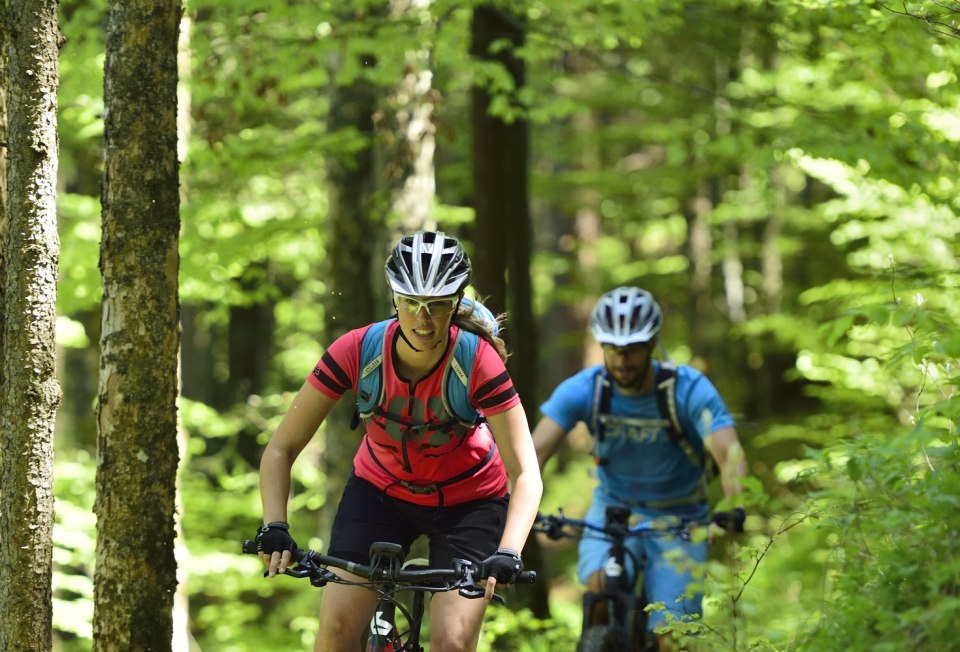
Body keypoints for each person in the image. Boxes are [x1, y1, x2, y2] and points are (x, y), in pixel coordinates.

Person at [255, 230, 543, 652]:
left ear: (456, 301)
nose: (423, 320)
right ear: (395, 298)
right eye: (412, 302)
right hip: (379, 495)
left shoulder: (477, 361)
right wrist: (275, 525)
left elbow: (525, 473)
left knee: (454, 642)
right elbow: (280, 449)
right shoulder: (357, 350)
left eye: (438, 305)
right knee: (334, 635)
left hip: (470, 502)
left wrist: (509, 551)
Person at [532, 286, 747, 651]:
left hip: (680, 518)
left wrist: (731, 510)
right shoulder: (587, 388)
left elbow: (730, 455)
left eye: (631, 349)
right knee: (599, 590)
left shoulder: (686, 389)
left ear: (651, 345)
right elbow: (535, 450)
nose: (622, 359)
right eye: (612, 348)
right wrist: (517, 512)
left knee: (672, 637)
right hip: (613, 510)